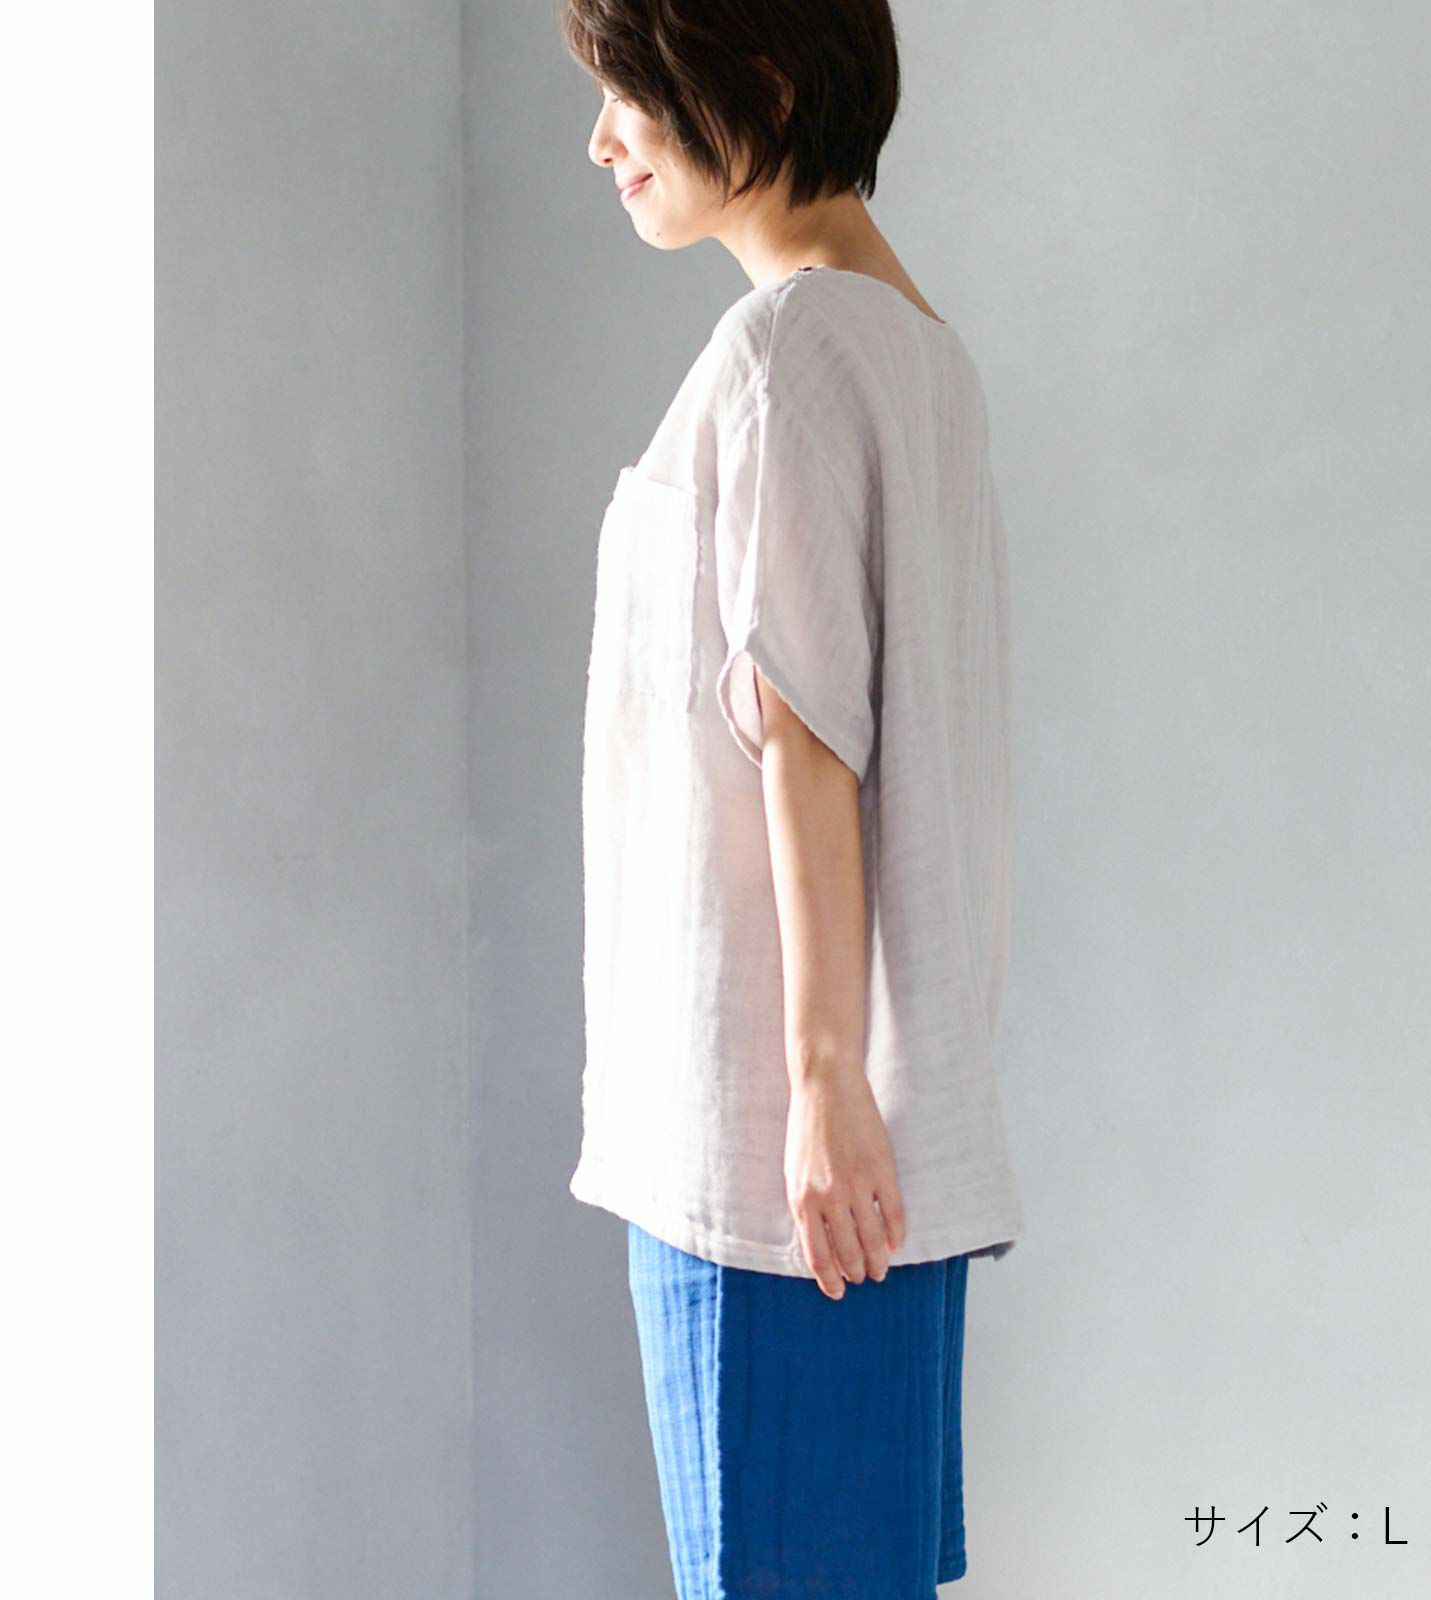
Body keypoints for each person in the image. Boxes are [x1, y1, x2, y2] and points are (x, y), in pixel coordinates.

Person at [560, 2, 1024, 1593]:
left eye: (624, 93)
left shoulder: (785, 351)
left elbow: (805, 731)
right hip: (884, 1151)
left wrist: (819, 1080)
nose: (601, 142)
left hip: (772, 1164)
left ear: (751, 76)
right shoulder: (923, 355)